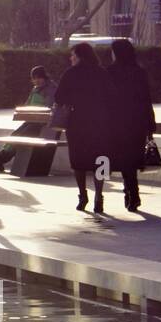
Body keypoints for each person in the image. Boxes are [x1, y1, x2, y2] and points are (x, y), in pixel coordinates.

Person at [53, 43, 115, 213]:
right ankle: (99, 196)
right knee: (101, 159)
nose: (70, 58)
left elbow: (59, 97)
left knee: (78, 160)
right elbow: (112, 96)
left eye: (72, 55)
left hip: (77, 121)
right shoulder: (102, 73)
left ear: (79, 56)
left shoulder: (71, 74)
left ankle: (83, 195)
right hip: (101, 122)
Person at [106, 39, 156, 212]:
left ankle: (129, 192)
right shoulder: (139, 72)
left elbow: (105, 99)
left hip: (116, 122)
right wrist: (151, 123)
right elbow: (146, 99)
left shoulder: (110, 72)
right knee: (132, 158)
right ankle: (132, 192)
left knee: (122, 158)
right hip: (137, 121)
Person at [0, 66, 57, 173]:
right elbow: (28, 104)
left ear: (44, 77)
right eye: (34, 79)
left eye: (38, 78)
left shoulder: (51, 88)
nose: (36, 81)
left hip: (42, 123)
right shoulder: (35, 89)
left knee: (22, 135)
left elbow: (50, 106)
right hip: (32, 120)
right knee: (15, 134)